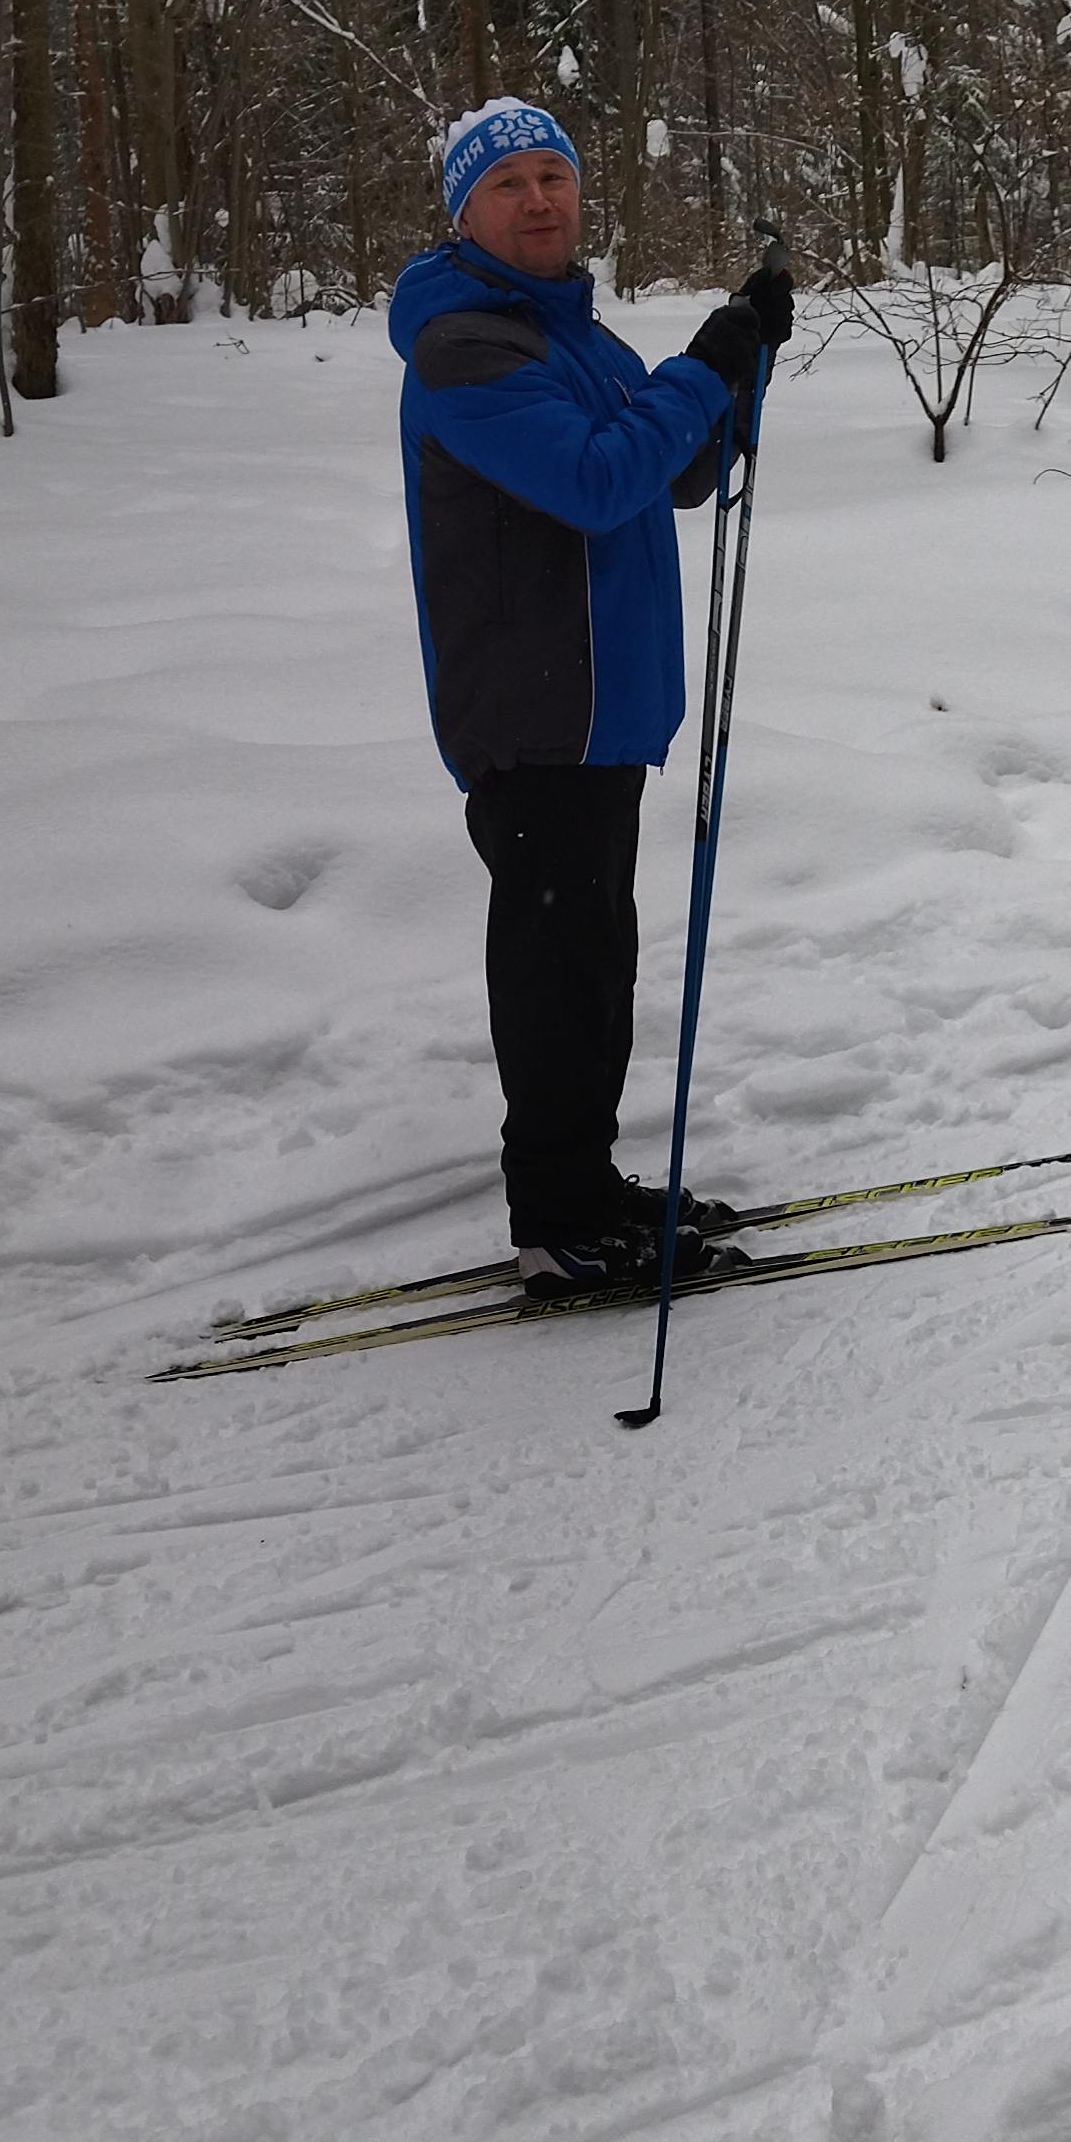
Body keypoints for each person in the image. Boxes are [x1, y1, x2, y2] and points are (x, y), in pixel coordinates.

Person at [387, 96, 793, 1293]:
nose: (539, 201)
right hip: (533, 710)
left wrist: (738, 371)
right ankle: (556, 1214)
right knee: (557, 970)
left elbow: (671, 470)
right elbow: (597, 478)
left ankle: (587, 1179)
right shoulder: (465, 344)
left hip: (599, 707)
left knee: (592, 959)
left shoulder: (577, 340)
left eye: (553, 178)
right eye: (507, 185)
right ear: (464, 212)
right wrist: (705, 368)